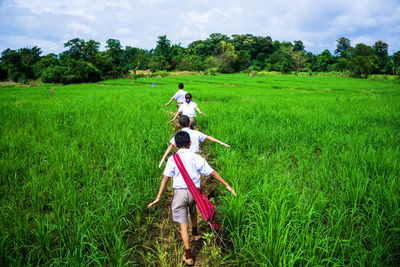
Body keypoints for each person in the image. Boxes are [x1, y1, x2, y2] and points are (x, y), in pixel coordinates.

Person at [148, 131, 236, 266]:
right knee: (193, 210)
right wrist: (227, 185)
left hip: (180, 194)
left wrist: (158, 197)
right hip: (195, 192)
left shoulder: (173, 159)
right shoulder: (197, 158)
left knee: (183, 225)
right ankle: (195, 233)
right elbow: (212, 172)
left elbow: (165, 179)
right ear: (190, 143)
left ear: (176, 145)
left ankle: (188, 255)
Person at [159, 115, 230, 168]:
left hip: (181, 158)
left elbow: (170, 146)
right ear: (190, 123)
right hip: (195, 158)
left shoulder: (178, 135)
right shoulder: (196, 133)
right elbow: (208, 137)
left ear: (179, 125)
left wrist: (163, 159)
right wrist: (221, 142)